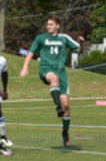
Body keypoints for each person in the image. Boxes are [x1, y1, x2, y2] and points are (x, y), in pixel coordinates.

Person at [20, 16, 83, 147]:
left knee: (66, 107)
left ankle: (65, 133)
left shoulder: (64, 38)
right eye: (47, 24)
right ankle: (57, 106)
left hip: (62, 73)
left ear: (58, 26)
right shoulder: (41, 38)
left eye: (51, 24)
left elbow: (77, 49)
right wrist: (25, 67)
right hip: (46, 69)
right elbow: (30, 53)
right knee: (53, 79)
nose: (48, 26)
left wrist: (81, 43)